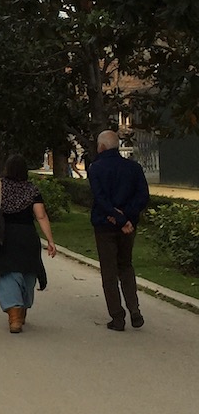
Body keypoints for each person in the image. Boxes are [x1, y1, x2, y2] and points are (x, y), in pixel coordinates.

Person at [0, 155, 57, 333]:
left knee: (4, 273)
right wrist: (50, 240)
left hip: (2, 237)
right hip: (27, 236)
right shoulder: (32, 189)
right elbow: (41, 215)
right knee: (28, 272)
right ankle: (22, 309)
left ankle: (14, 314)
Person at [88, 130, 149, 331]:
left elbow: (100, 197)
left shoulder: (96, 168)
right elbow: (142, 197)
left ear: (102, 147)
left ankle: (117, 316)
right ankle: (134, 309)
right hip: (128, 228)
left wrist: (118, 218)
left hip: (105, 225)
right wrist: (128, 218)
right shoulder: (133, 168)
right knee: (126, 266)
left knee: (109, 271)